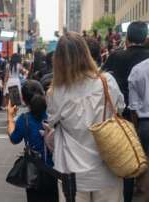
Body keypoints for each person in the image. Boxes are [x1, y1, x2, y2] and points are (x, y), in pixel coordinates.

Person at [46, 32, 125, 202]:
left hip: (72, 173)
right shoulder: (107, 81)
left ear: (58, 60)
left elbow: (52, 121)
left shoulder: (55, 92)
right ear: (85, 53)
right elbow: (120, 108)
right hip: (107, 167)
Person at [103, 21, 149, 201]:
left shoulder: (116, 57)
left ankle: (128, 196)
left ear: (127, 38)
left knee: (129, 162)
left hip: (123, 119)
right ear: (145, 38)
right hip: (140, 117)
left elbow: (103, 80)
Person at [7, 80, 57, 202]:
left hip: (33, 173)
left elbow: (14, 139)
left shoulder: (24, 120)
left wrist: (10, 117)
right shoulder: (54, 115)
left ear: (23, 100)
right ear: (43, 94)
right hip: (55, 170)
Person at [128, 58, 149, 194]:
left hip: (145, 124)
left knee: (145, 163)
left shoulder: (138, 69)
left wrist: (135, 130)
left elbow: (133, 106)